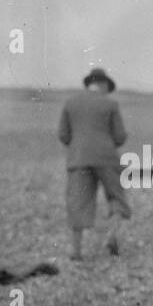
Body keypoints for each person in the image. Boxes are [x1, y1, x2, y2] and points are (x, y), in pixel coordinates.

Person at [58, 67, 129, 260]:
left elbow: (63, 135)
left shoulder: (70, 103)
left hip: (79, 158)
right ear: (104, 84)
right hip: (106, 157)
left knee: (77, 201)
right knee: (116, 197)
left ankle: (76, 251)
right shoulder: (111, 104)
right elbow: (120, 137)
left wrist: (79, 145)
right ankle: (112, 235)